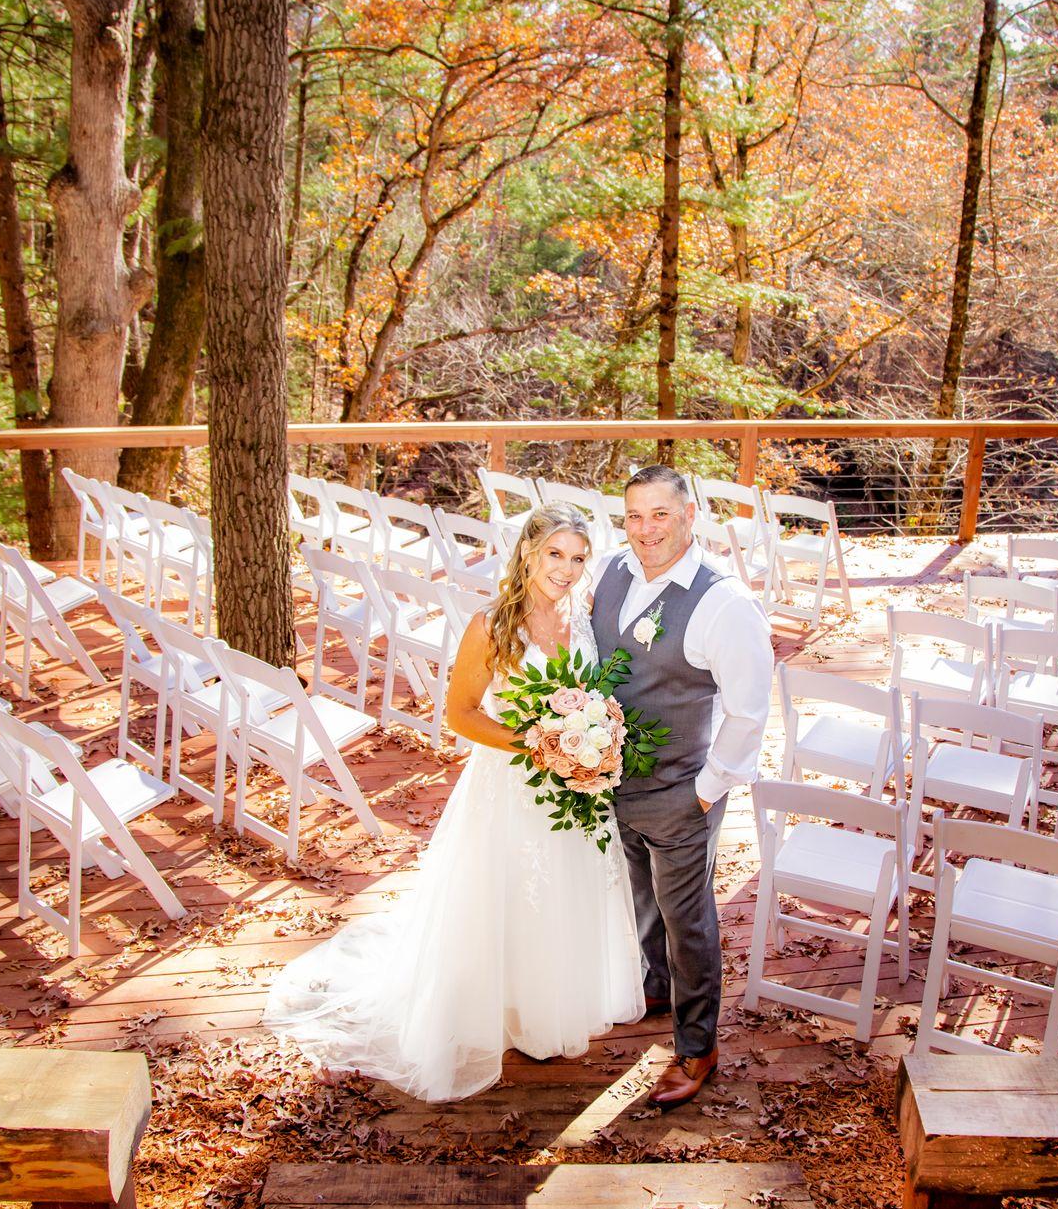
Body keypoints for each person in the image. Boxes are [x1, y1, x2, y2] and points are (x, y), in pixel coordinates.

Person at [264, 503, 644, 1102]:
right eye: (555, 555)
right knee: (508, 891)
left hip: (575, 787)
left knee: (564, 891)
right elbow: (458, 715)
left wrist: (590, 743)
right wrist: (539, 745)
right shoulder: (491, 626)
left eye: (577, 559)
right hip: (512, 785)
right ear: (527, 552)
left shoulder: (584, 617)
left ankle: (551, 1002)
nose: (566, 570)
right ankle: (502, 1008)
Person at [592, 465, 774, 1109]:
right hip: (610, 776)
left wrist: (706, 789)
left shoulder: (724, 601)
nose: (646, 530)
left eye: (660, 515)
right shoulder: (612, 571)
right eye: (634, 516)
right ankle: (656, 985)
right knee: (639, 892)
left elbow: (750, 710)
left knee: (686, 916)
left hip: (681, 787)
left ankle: (697, 1046)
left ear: (690, 515)